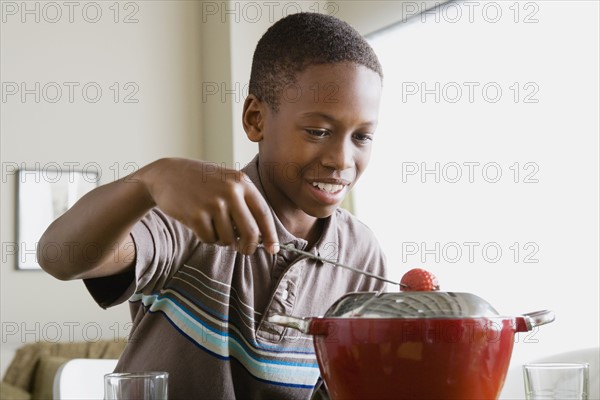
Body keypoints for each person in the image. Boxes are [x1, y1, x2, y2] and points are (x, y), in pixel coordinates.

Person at [38, 12, 387, 400]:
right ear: (256, 119)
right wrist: (150, 182)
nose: (341, 160)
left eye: (362, 136)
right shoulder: (192, 214)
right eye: (317, 132)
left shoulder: (363, 255)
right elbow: (60, 256)